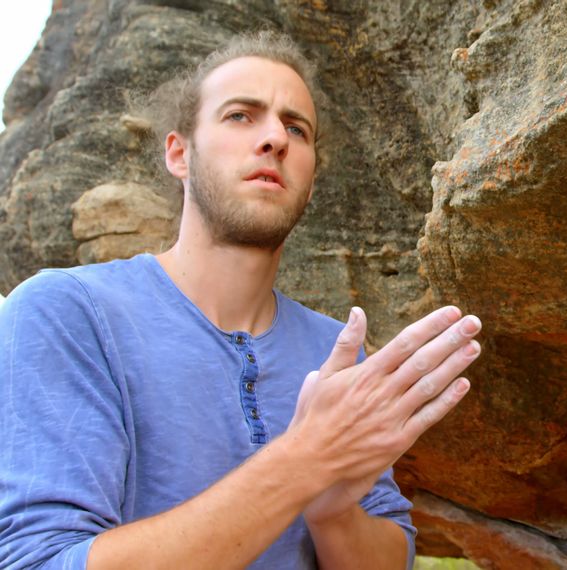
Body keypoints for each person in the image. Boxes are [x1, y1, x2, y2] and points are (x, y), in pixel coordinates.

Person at [0, 32, 481, 569]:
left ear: (311, 177)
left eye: (297, 128)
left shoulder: (334, 349)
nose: (276, 137)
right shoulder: (67, 313)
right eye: (240, 116)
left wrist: (332, 513)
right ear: (179, 154)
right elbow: (39, 560)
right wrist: (304, 461)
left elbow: (392, 556)